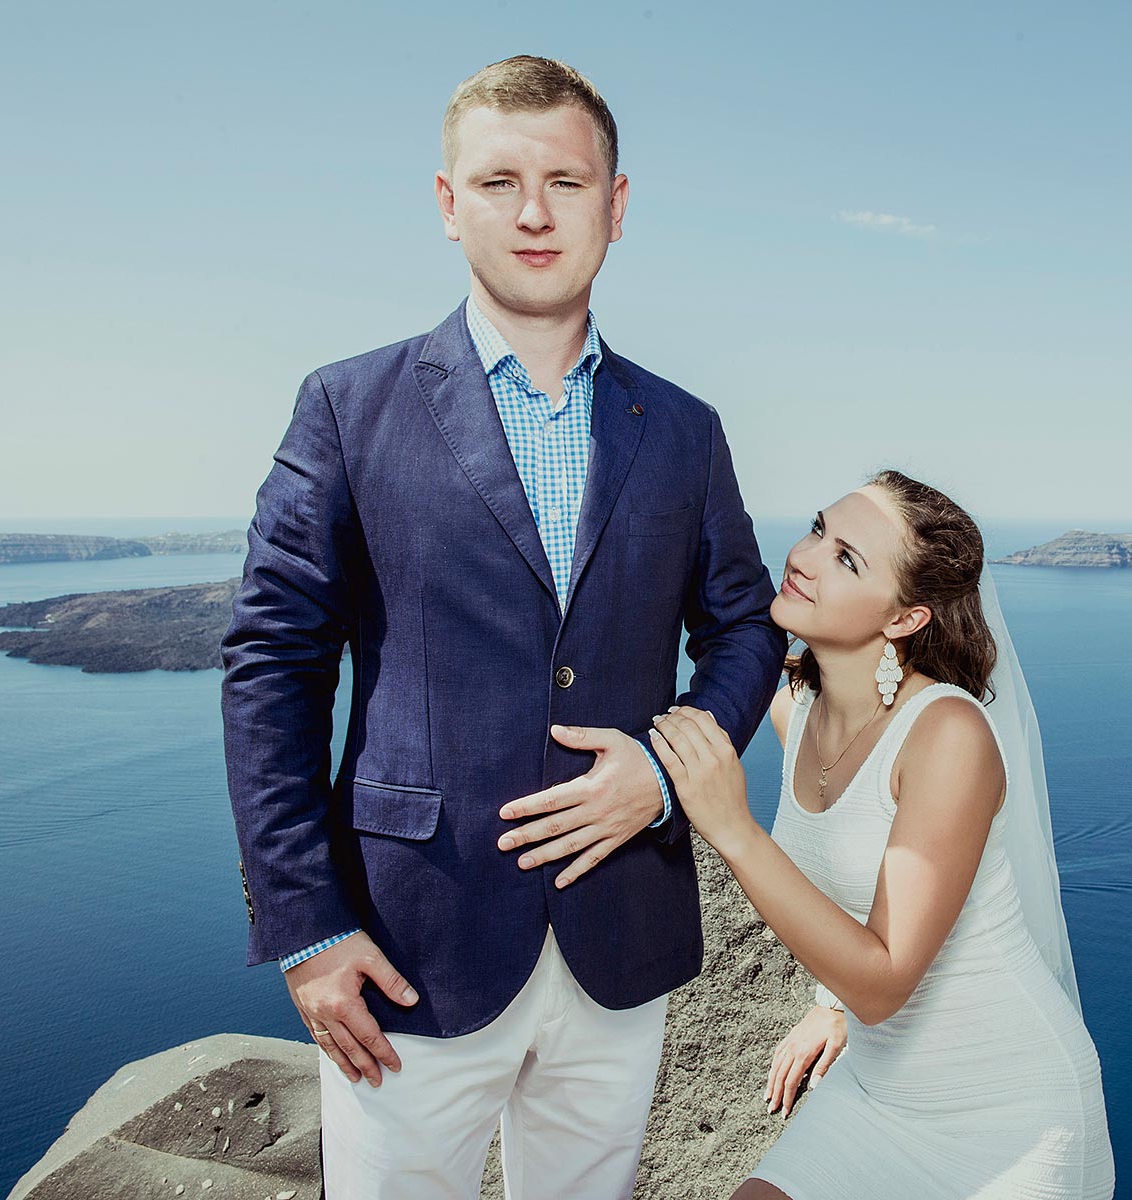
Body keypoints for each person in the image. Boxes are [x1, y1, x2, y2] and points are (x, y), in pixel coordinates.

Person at [219, 54, 783, 1199]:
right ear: (448, 203)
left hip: (622, 933)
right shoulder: (348, 406)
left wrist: (661, 772)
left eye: (566, 183)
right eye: (498, 183)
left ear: (615, 206)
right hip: (407, 948)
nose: (534, 213)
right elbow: (272, 664)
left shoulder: (685, 428)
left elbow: (746, 631)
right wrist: (307, 927)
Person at [648, 470, 1117, 1199]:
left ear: (904, 618)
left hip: (1009, 1117)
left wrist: (734, 829)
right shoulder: (794, 706)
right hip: (872, 1093)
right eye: (817, 529)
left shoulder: (948, 734)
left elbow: (885, 982)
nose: (804, 558)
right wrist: (827, 1003)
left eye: (847, 559)